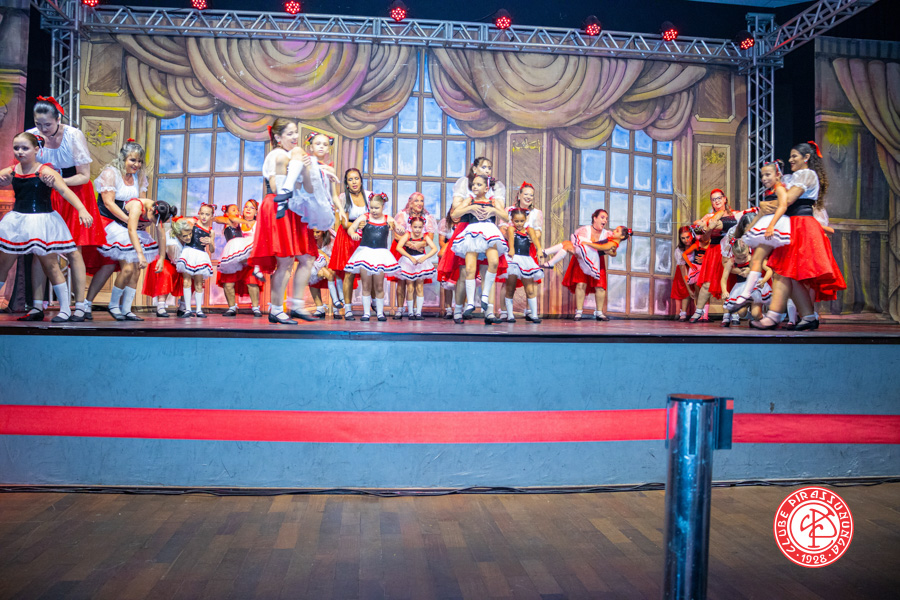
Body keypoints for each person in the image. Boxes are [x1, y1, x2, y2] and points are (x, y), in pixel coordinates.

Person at [17, 96, 108, 321]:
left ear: (58, 119)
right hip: (45, 194)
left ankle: (80, 306)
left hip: (73, 191)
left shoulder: (73, 135)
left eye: (47, 124)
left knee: (73, 250)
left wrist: (58, 182)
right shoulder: (32, 136)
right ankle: (37, 306)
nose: (42, 129)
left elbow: (84, 176)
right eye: (38, 124)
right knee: (40, 250)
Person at [750, 141, 846, 330]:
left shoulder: (806, 174)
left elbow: (788, 199)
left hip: (801, 224)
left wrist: (770, 201)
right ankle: (808, 317)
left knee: (784, 273)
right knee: (788, 274)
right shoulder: (794, 177)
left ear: (806, 157)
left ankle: (774, 317)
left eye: (795, 156)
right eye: (790, 156)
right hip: (794, 224)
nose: (791, 159)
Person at [0, 132, 94, 322]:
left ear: (36, 149)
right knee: (3, 264)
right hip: (17, 222)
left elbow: (65, 191)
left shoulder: (45, 171)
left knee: (50, 265)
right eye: (16, 148)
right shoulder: (11, 171)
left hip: (41, 222)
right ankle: (38, 307)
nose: (20, 152)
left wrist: (82, 209)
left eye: (25, 148)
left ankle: (65, 309)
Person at [93, 140, 174, 321]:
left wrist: (143, 224)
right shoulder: (111, 173)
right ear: (123, 158)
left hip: (130, 221)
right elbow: (108, 203)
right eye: (133, 160)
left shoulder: (140, 178)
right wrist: (130, 221)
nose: (137, 165)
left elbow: (146, 209)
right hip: (111, 221)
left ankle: (126, 308)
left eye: (139, 161)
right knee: (123, 267)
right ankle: (106, 305)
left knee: (135, 268)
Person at [250, 118, 319, 325]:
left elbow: (309, 188)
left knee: (307, 258)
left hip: (295, 208)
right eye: (289, 133)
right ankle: (276, 309)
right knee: (285, 261)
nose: (295, 137)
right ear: (278, 137)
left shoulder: (295, 156)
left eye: (296, 132)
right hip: (279, 206)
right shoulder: (278, 155)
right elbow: (277, 188)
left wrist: (305, 169)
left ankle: (296, 304)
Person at [725, 161, 790, 312]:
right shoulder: (768, 193)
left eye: (768, 174)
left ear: (777, 175)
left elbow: (782, 207)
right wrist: (749, 229)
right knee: (756, 259)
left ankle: (778, 309)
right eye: (762, 175)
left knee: (771, 266)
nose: (764, 178)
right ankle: (748, 293)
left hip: (777, 227)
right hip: (768, 227)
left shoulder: (780, 189)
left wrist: (772, 225)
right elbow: (761, 213)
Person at [449, 174, 508, 324]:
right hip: (473, 233)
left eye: (479, 184)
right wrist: (471, 207)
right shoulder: (469, 200)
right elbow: (455, 214)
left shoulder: (493, 201)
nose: (475, 187)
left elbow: (506, 217)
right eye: (474, 184)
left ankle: (485, 296)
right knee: (470, 268)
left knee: (493, 262)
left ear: (487, 188)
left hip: (489, 232)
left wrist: (493, 211)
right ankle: (469, 303)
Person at [553, 209, 626, 321]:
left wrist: (611, 252)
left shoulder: (607, 234)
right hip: (582, 260)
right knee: (581, 284)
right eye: (602, 217)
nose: (605, 220)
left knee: (600, 286)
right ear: (595, 218)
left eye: (606, 218)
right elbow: (576, 247)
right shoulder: (584, 231)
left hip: (597, 261)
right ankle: (579, 312)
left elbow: (613, 251)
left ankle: (599, 312)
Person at [344, 193, 400, 321]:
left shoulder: (388, 219)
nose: (374, 210)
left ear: (383, 206)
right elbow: (351, 228)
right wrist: (353, 233)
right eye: (372, 207)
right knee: (366, 284)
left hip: (380, 255)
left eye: (377, 208)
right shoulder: (365, 217)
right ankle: (366, 313)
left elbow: (398, 228)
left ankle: (380, 313)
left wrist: (399, 228)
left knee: (379, 285)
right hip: (365, 254)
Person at [688, 189, 737, 323]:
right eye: (714, 199)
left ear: (725, 199)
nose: (717, 201)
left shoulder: (735, 214)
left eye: (719, 198)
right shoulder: (707, 217)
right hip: (714, 251)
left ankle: (730, 314)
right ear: (711, 202)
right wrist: (707, 228)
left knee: (730, 283)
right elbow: (703, 238)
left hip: (730, 250)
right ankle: (699, 311)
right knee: (707, 284)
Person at [328, 168, 369, 320]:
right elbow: (344, 223)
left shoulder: (369, 196)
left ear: (361, 180)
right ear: (346, 183)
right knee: (349, 273)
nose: (354, 182)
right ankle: (348, 308)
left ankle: (371, 305)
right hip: (347, 237)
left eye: (356, 178)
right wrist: (357, 225)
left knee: (368, 272)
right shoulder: (344, 197)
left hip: (365, 237)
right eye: (350, 179)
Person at [391, 192, 437, 319]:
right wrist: (409, 243)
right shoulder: (403, 215)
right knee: (401, 282)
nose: (419, 203)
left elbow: (430, 236)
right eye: (416, 200)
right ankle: (400, 309)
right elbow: (397, 234)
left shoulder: (427, 217)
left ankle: (416, 310)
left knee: (417, 282)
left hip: (419, 251)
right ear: (410, 202)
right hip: (403, 250)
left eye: (421, 201)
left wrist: (419, 244)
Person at [215, 200, 264, 317]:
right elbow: (219, 219)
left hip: (250, 257)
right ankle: (232, 307)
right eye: (246, 207)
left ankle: (255, 308)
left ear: (256, 211)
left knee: (252, 282)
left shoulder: (259, 224)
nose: (248, 209)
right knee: (228, 282)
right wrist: (242, 221)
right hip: (234, 256)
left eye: (251, 208)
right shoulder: (237, 221)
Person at [720, 224, 772, 327]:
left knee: (756, 314)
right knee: (741, 313)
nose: (742, 260)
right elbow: (724, 278)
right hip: (741, 288)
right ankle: (751, 318)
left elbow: (769, 270)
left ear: (748, 250)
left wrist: (764, 280)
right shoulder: (731, 261)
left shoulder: (754, 258)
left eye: (744, 257)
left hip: (755, 288)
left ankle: (763, 319)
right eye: (738, 258)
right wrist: (724, 291)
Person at [174, 203, 216, 318]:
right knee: (186, 281)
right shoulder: (193, 223)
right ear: (199, 213)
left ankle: (199, 310)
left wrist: (210, 242)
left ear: (212, 216)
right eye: (202, 213)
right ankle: (187, 309)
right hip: (189, 252)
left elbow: (212, 250)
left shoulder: (211, 231)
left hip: (200, 255)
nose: (204, 216)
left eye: (207, 214)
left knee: (198, 283)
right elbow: (181, 230)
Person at [503, 208, 544, 323]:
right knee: (510, 288)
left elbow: (535, 239)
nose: (519, 224)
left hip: (526, 260)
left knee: (530, 289)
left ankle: (534, 315)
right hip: (514, 259)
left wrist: (539, 249)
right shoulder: (511, 229)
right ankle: (510, 315)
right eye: (516, 221)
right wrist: (511, 249)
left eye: (521, 221)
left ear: (525, 220)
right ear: (512, 220)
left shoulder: (529, 230)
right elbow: (511, 238)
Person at [672, 226, 700, 321]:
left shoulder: (697, 244)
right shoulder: (679, 250)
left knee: (698, 290)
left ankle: (700, 312)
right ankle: (683, 312)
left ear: (692, 235)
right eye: (683, 238)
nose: (686, 240)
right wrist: (688, 289)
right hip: (683, 271)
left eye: (688, 237)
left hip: (695, 269)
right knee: (686, 290)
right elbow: (683, 269)